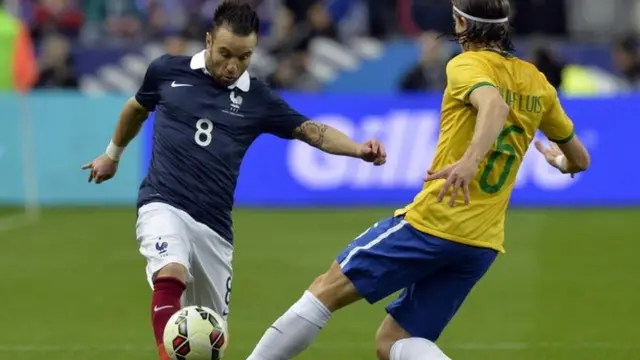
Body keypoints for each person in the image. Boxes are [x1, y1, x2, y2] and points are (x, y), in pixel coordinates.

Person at [245, 0, 591, 359]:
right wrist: (562, 164)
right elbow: (580, 159)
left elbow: (495, 105)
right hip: (482, 243)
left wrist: (470, 161)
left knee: (325, 290)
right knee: (392, 342)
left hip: (435, 223)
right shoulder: (537, 83)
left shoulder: (465, 65)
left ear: (460, 22)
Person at [81, 1, 387, 359]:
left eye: (244, 57)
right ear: (208, 40)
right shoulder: (166, 71)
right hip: (162, 202)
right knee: (170, 270)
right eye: (225, 53)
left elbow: (310, 130)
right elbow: (135, 108)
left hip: (214, 228)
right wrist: (112, 154)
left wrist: (357, 149)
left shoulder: (257, 98)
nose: (232, 66)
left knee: (210, 336)